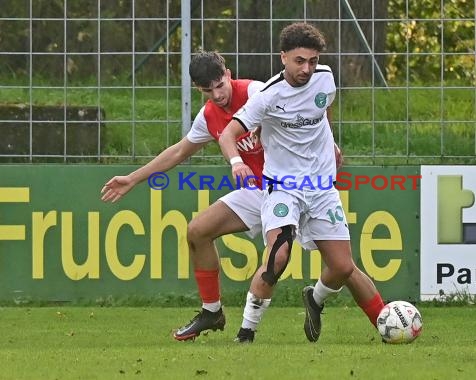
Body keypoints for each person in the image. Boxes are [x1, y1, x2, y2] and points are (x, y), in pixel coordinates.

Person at [101, 50, 383, 344]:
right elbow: (179, 151)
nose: (217, 93)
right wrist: (133, 178)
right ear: (199, 90)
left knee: (342, 266)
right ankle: (212, 311)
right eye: (208, 90)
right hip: (259, 192)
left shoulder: (257, 92)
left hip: (294, 187)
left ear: (228, 73)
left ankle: (384, 318)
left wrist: (331, 145)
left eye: (220, 84)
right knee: (197, 231)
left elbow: (309, 110)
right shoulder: (209, 116)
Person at [219, 22, 382, 343]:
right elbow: (228, 135)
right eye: (299, 61)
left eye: (312, 60)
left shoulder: (325, 77)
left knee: (341, 266)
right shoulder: (267, 96)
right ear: (283, 57)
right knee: (278, 256)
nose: (306, 68)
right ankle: (246, 333)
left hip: (322, 188)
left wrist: (332, 144)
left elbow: (323, 110)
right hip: (283, 187)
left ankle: (315, 299)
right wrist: (237, 162)